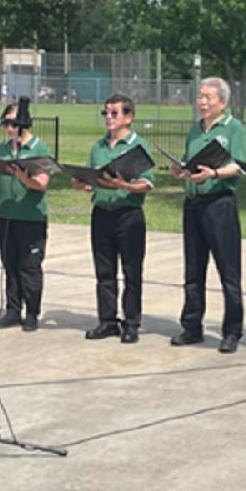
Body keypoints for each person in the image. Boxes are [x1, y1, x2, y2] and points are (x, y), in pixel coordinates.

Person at [171, 77, 246, 353]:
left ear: (222, 102)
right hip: (193, 203)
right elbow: (190, 161)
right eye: (200, 96)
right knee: (193, 269)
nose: (202, 102)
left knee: (228, 270)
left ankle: (232, 330)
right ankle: (192, 325)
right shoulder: (195, 129)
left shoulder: (233, 128)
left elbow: (239, 166)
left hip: (219, 204)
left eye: (208, 97)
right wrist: (181, 170)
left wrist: (214, 173)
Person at [73, 93, 154, 343]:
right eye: (105, 113)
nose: (108, 117)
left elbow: (147, 184)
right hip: (102, 213)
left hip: (128, 214)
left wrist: (123, 185)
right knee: (104, 271)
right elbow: (92, 178)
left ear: (128, 117)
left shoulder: (138, 146)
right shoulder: (97, 147)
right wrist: (83, 183)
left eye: (114, 113)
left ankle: (131, 322)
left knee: (131, 272)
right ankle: (107, 321)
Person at [0, 102, 53, 332]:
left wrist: (24, 178)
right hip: (5, 214)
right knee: (10, 264)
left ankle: (32, 312)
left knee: (29, 266)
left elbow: (41, 183)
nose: (9, 128)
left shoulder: (38, 147)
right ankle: (13, 309)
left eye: (13, 123)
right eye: (6, 124)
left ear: (24, 123)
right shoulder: (2, 148)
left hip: (30, 216)